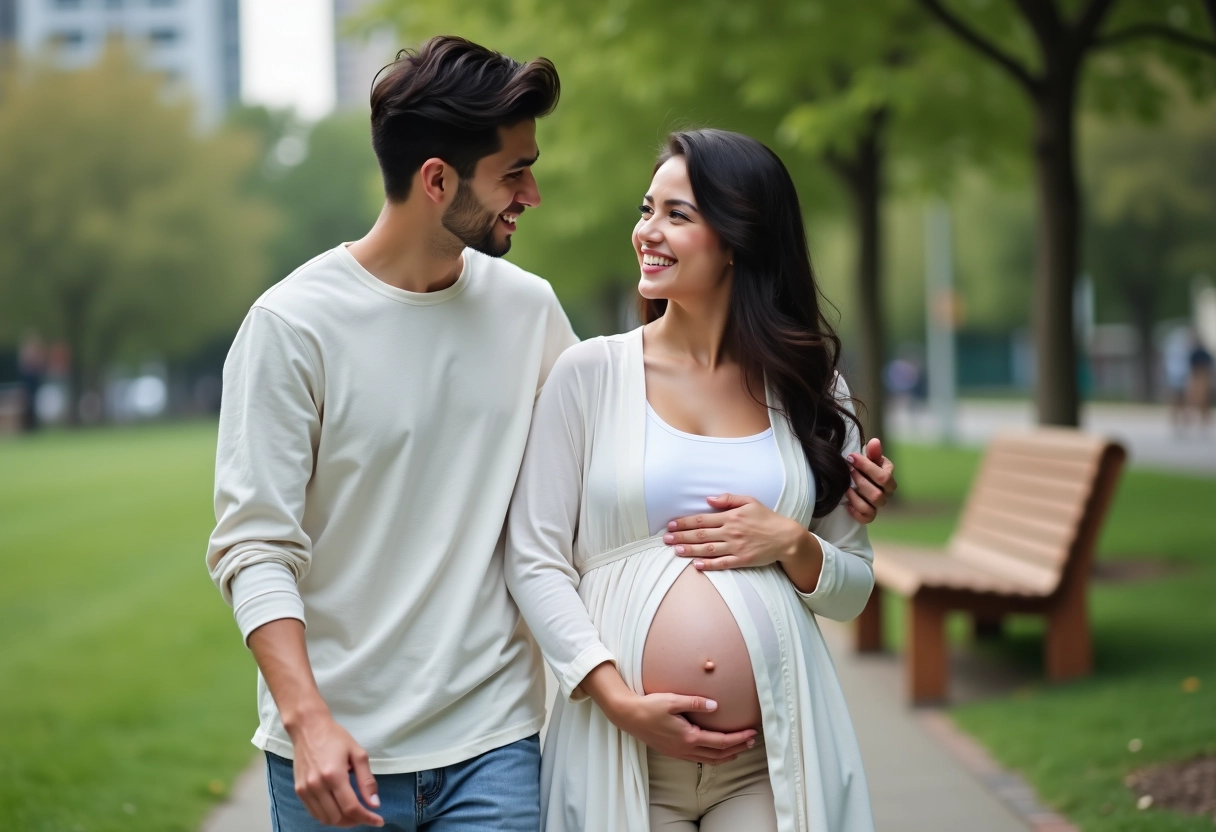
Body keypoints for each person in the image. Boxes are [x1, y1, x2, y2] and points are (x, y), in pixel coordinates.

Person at [208, 37, 897, 832]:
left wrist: (828, 486)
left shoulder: (528, 311)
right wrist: (306, 720)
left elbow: (639, 436)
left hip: (493, 744)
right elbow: (254, 547)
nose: (531, 193)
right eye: (514, 171)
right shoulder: (292, 326)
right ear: (438, 181)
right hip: (337, 751)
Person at [506, 130, 889, 831]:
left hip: (768, 762)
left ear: (740, 238)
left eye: (677, 215)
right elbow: (534, 560)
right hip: (622, 751)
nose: (647, 232)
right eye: (647, 209)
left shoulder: (809, 390)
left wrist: (791, 543)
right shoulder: (590, 374)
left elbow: (853, 591)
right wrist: (615, 697)